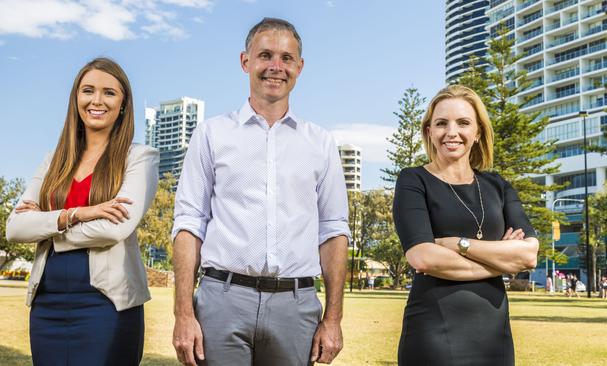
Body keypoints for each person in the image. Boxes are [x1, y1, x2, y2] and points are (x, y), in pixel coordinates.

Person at [171, 18, 350, 366]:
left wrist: (333, 319)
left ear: (299, 66)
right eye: (265, 55)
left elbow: (333, 230)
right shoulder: (211, 134)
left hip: (295, 306)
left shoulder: (320, 142)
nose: (275, 67)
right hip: (221, 300)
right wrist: (182, 313)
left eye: (286, 58)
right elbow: (189, 222)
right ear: (245, 61)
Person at [5, 58, 159, 366]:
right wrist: (75, 214)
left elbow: (114, 229)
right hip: (47, 304)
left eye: (109, 93)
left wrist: (47, 228)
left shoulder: (140, 157)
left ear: (123, 104)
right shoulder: (53, 161)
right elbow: (15, 228)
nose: (97, 101)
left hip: (107, 305)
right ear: (76, 98)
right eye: (88, 90)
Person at [393, 85, 539, 366]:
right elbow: (422, 257)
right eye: (441, 123)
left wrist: (459, 244)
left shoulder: (497, 186)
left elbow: (528, 255)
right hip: (433, 334)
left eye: (463, 123)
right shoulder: (413, 180)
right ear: (428, 131)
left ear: (478, 132)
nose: (451, 132)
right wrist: (502, 260)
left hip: (495, 338)